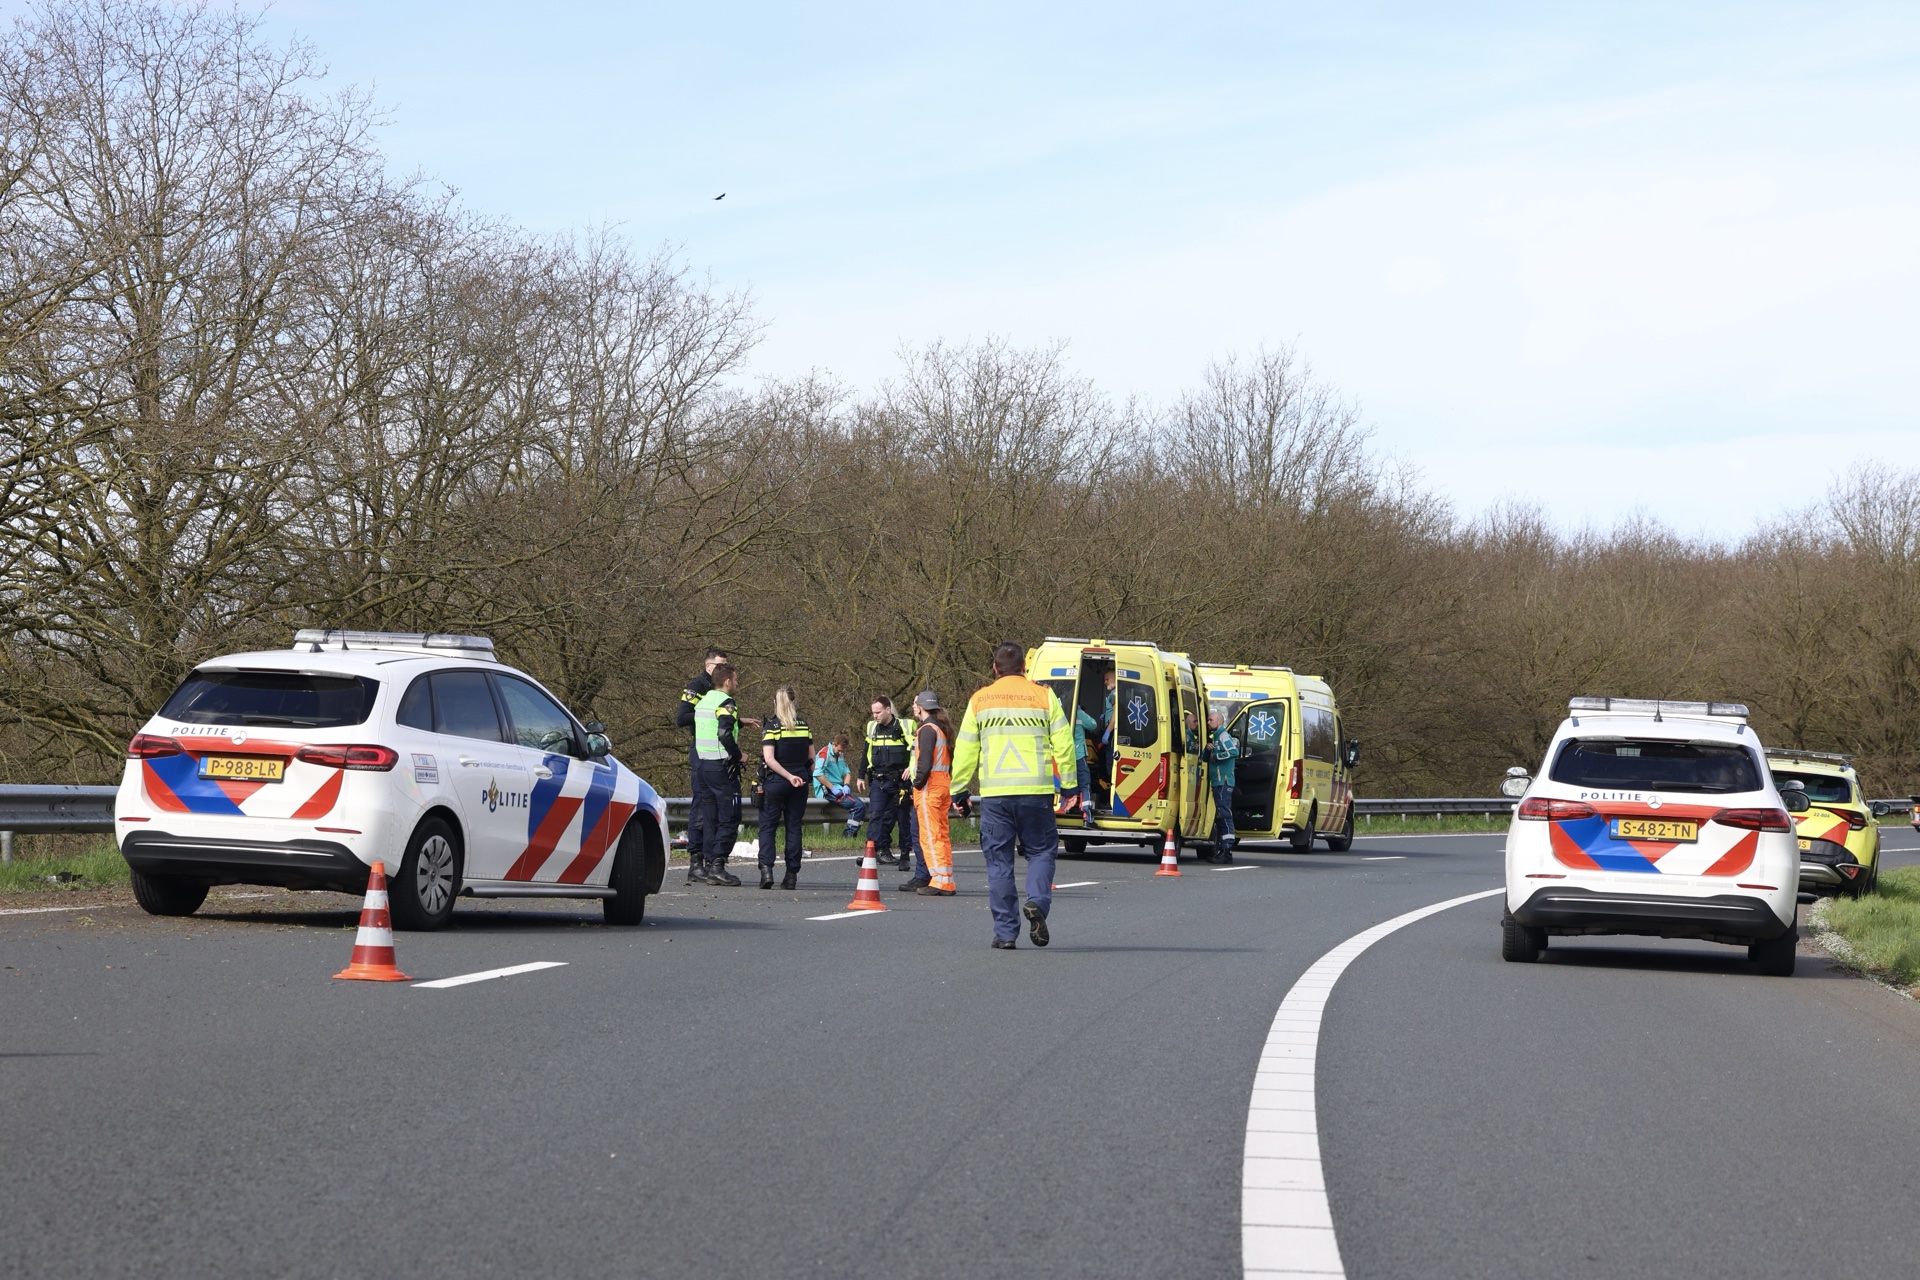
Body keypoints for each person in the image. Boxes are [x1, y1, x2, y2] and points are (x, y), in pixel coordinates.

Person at [949, 642, 1076, 950]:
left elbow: (966, 748)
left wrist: (959, 789)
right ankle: (1037, 903)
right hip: (1036, 793)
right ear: (1024, 668)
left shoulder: (979, 700)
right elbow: (1064, 743)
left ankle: (1006, 934)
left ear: (995, 668)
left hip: (996, 796)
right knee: (1042, 852)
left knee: (999, 863)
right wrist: (1070, 786)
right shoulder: (1044, 696)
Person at [689, 662, 745, 886]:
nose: (738, 683)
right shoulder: (725, 702)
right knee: (730, 815)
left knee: (710, 817)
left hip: (702, 765)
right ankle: (718, 865)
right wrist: (738, 755)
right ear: (728, 681)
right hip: (720, 767)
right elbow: (723, 731)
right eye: (736, 679)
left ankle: (710, 862)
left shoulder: (703, 701)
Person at [676, 648, 727, 883]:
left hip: (716, 753)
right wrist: (707, 714)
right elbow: (682, 717)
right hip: (700, 752)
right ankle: (695, 861)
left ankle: (709, 859)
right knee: (700, 805)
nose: (724, 668)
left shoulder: (720, 689)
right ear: (709, 666)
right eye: (720, 665)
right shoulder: (697, 687)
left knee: (713, 808)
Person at [901, 691, 957, 896]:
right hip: (942, 785)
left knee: (930, 836)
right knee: (941, 834)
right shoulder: (940, 728)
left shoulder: (926, 730)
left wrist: (917, 784)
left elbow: (924, 762)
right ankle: (946, 880)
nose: (913, 707)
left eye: (915, 704)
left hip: (930, 787)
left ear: (921, 707)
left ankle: (938, 881)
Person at [757, 685, 813, 890]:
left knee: (767, 826)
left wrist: (788, 776)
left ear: (776, 703)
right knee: (794, 827)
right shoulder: (804, 725)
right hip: (800, 781)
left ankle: (766, 870)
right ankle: (791, 875)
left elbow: (769, 759)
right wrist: (802, 776)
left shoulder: (772, 726)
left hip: (777, 781)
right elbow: (811, 758)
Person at [860, 696, 915, 866]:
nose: (875, 716)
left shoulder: (904, 726)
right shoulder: (872, 727)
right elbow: (866, 751)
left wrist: (911, 768)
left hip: (900, 781)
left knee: (902, 818)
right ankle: (872, 852)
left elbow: (917, 748)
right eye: (873, 713)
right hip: (878, 780)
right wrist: (860, 775)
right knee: (876, 816)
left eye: (878, 712)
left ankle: (905, 855)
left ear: (888, 710)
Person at [1203, 707, 1240, 864]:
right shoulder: (1215, 737)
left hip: (1223, 781)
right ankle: (1223, 850)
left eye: (1211, 719)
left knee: (1224, 815)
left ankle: (1227, 850)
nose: (1208, 722)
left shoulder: (1223, 735)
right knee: (1221, 815)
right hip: (1217, 781)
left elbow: (1233, 752)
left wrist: (1216, 755)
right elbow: (1206, 759)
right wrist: (1207, 749)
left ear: (1219, 721)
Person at [813, 733, 868, 836]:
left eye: (842, 751)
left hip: (839, 787)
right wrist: (832, 788)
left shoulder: (840, 754)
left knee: (862, 807)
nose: (840, 753)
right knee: (857, 807)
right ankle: (848, 836)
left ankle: (852, 834)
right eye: (838, 750)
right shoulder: (825, 754)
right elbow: (817, 774)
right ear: (834, 744)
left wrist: (846, 785)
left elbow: (847, 772)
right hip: (826, 788)